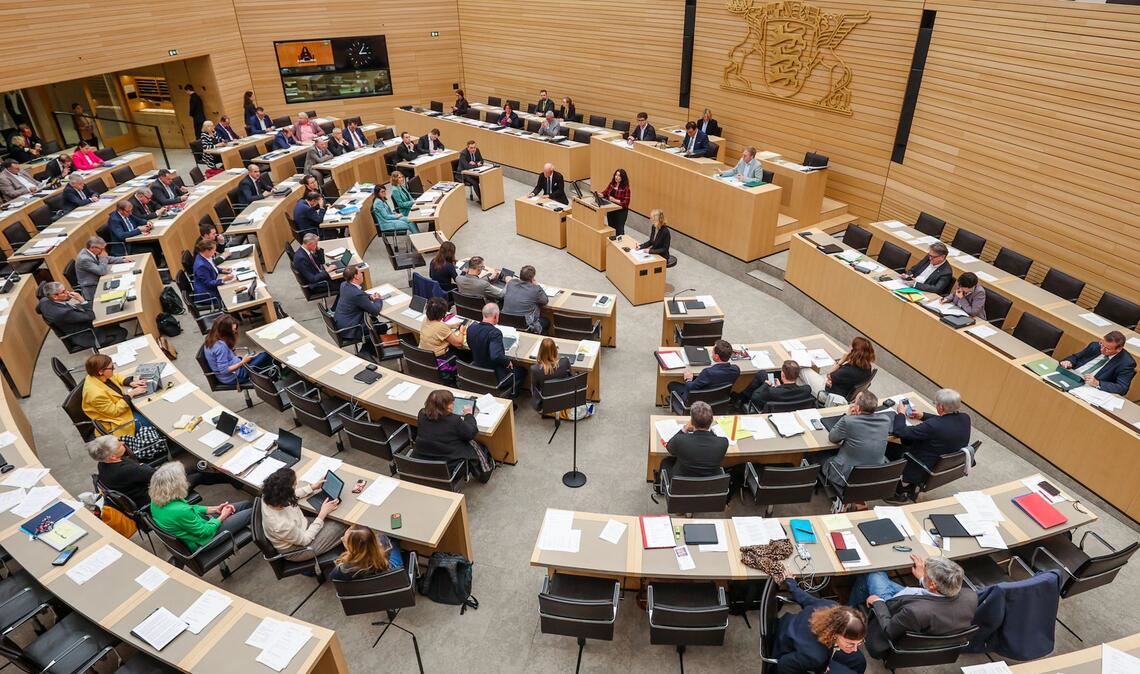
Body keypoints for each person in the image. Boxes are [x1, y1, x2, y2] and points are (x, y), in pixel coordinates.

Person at [849, 555, 977, 659]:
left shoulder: (914, 613)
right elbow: (936, 595)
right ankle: (851, 608)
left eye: (926, 572)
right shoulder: (970, 596)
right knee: (866, 580)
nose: (924, 570)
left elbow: (889, 630)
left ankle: (849, 615)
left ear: (932, 585)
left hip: (891, 609)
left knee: (874, 571)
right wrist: (923, 579)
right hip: (918, 601)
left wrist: (878, 602)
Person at [88, 435, 231, 508]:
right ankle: (229, 478)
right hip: (153, 497)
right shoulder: (127, 470)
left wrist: (143, 467)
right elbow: (156, 475)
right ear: (112, 456)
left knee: (189, 467)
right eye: (120, 444)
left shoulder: (103, 465)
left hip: (142, 489)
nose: (123, 443)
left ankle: (225, 477)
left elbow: (143, 469)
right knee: (197, 474)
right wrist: (144, 467)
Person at [886, 388, 971, 503]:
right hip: (941, 464)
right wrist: (922, 416)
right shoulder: (965, 418)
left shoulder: (933, 426)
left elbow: (900, 431)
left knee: (888, 445)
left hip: (922, 464)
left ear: (941, 407)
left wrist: (900, 413)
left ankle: (899, 491)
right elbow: (946, 421)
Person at [149, 462, 253, 552]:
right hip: (205, 540)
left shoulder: (157, 500)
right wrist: (222, 516)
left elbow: (191, 508)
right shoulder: (180, 511)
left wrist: (215, 508)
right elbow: (204, 532)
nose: (186, 480)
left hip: (200, 525)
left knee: (246, 504)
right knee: (252, 512)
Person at [80, 353, 165, 461]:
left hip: (121, 412)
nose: (114, 370)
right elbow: (115, 411)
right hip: (119, 421)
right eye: (111, 368)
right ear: (101, 371)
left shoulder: (97, 376)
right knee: (153, 419)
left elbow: (115, 376)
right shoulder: (95, 394)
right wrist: (130, 394)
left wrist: (130, 382)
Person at [773, 578, 867, 674]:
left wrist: (791, 582)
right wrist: (820, 668)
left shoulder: (830, 607)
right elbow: (784, 665)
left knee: (859, 661)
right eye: (850, 643)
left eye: (859, 643)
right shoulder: (815, 656)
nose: (855, 649)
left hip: (790, 627)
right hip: (786, 652)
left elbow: (805, 598)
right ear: (835, 634)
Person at [260, 467, 346, 561]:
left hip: (300, 526)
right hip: (298, 548)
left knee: (335, 516)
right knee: (343, 524)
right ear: (287, 493)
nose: (296, 486)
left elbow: (291, 494)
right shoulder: (281, 525)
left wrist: (313, 487)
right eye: (294, 485)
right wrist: (322, 514)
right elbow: (305, 540)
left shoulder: (269, 494)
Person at [414, 390, 494, 481]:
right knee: (474, 445)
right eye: (451, 403)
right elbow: (471, 433)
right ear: (445, 406)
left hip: (423, 461)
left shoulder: (421, 414)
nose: (453, 405)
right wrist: (468, 415)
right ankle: (485, 473)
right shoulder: (454, 421)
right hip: (448, 466)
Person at [819, 391, 891, 489]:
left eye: (854, 402)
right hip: (874, 473)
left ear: (856, 408)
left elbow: (833, 438)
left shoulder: (849, 421)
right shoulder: (886, 420)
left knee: (817, 456)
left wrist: (847, 416)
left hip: (847, 476)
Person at [38, 282, 127, 349]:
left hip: (77, 323)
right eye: (63, 292)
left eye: (65, 289)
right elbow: (91, 316)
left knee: (111, 320)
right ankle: (112, 354)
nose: (68, 292)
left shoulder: (44, 301)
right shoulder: (63, 313)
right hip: (86, 334)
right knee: (121, 331)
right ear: (55, 297)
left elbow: (38, 309)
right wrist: (81, 300)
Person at [659, 400, 729, 482]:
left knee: (666, 462)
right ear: (711, 420)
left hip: (682, 485)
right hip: (709, 486)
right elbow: (713, 439)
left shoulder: (680, 440)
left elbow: (670, 447)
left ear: (691, 421)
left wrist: (684, 429)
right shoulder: (723, 442)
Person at [466, 303, 522, 397]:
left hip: (477, 369)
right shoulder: (495, 333)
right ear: (496, 316)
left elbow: (470, 345)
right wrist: (507, 362)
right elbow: (496, 355)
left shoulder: (471, 328)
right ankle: (510, 398)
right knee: (522, 371)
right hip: (494, 375)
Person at [800, 335, 875, 403]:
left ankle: (798, 396)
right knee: (803, 379)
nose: (849, 346)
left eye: (851, 346)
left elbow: (829, 374)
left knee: (801, 370)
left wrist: (842, 361)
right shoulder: (867, 367)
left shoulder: (848, 371)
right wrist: (831, 379)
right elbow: (833, 377)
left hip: (828, 395)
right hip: (842, 391)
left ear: (854, 351)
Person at [1059, 330, 1136, 395]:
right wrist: (1069, 362)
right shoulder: (1095, 346)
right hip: (1071, 375)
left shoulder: (1127, 363)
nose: (1102, 349)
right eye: (1102, 344)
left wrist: (1097, 383)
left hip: (1087, 388)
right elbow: (1075, 357)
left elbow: (1122, 388)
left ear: (1118, 349)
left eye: (1107, 349)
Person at [667, 339, 740, 407]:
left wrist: (688, 379)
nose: (711, 352)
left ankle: (681, 405)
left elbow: (690, 388)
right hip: (719, 400)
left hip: (698, 400)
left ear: (717, 357)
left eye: (713, 351)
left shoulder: (708, 373)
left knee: (672, 385)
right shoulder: (736, 370)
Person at [204, 315, 272, 385]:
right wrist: (243, 362)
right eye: (233, 330)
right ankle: (273, 381)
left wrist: (231, 355)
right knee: (268, 355)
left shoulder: (211, 338)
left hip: (235, 368)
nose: (235, 332)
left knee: (263, 357)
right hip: (235, 376)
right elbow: (224, 370)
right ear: (225, 331)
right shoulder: (220, 347)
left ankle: (272, 378)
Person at [334, 264, 385, 349]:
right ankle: (370, 350)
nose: (362, 274)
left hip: (341, 324)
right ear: (356, 277)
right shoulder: (356, 294)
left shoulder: (344, 285)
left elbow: (360, 295)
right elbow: (375, 311)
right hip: (351, 329)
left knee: (373, 321)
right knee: (381, 326)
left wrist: (370, 296)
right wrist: (378, 299)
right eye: (360, 273)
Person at [329, 525, 404, 580]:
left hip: (366, 585)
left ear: (354, 549)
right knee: (394, 541)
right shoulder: (384, 544)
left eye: (344, 541)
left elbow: (333, 577)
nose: (341, 539)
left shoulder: (344, 569)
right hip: (387, 570)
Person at [739, 360, 812, 412]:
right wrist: (780, 387)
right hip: (790, 410)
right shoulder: (806, 390)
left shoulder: (770, 391)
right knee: (762, 374)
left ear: (782, 374)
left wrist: (766, 384)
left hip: (771, 411)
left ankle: (740, 400)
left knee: (762, 374)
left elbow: (755, 397)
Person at [420, 296, 468, 364]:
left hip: (425, 356)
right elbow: (458, 343)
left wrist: (451, 326)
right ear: (443, 313)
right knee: (467, 353)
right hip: (440, 360)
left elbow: (435, 328)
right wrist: (462, 331)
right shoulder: (441, 327)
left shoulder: (426, 319)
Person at [503, 265, 549, 333]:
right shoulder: (535, 289)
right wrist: (537, 285)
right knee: (546, 322)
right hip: (525, 326)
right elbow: (545, 300)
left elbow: (509, 281)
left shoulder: (511, 283)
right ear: (532, 278)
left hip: (506, 322)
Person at [529, 338, 570, 411]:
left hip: (545, 401)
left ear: (540, 351)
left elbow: (534, 387)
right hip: (564, 397)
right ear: (555, 349)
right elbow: (570, 378)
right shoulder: (565, 362)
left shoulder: (535, 369)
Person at [191, 239, 234, 306]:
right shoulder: (201, 266)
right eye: (214, 250)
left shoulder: (205, 256)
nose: (215, 252)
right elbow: (209, 283)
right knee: (232, 293)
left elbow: (212, 267)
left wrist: (222, 270)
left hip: (212, 284)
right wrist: (223, 279)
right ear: (207, 251)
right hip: (208, 293)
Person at [601, 168, 631, 237]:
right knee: (611, 228)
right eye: (616, 175)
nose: (616, 177)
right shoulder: (612, 184)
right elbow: (605, 193)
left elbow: (625, 203)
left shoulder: (626, 189)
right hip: (611, 209)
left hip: (620, 212)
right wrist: (601, 194)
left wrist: (614, 200)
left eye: (619, 176)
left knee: (619, 230)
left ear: (622, 178)